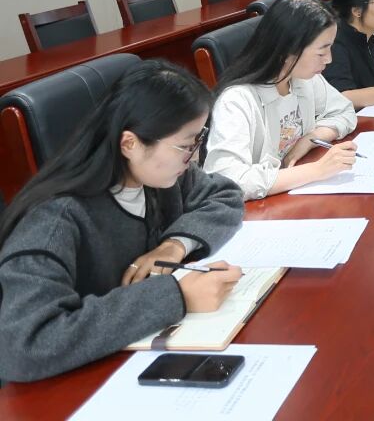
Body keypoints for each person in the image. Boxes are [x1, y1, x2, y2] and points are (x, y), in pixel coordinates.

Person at [0, 61, 244, 382]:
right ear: (130, 144)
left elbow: (226, 196)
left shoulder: (159, 175)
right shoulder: (54, 221)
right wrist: (176, 297)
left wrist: (174, 246)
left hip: (124, 356)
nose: (194, 158)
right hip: (70, 386)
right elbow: (25, 345)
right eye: (186, 146)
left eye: (197, 142)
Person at [204, 0, 359, 200]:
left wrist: (310, 139)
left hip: (291, 195)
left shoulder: (302, 77)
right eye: (321, 52)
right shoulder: (237, 101)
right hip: (258, 210)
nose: (329, 59)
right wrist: (316, 170)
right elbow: (227, 179)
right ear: (288, 50)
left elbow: (344, 110)